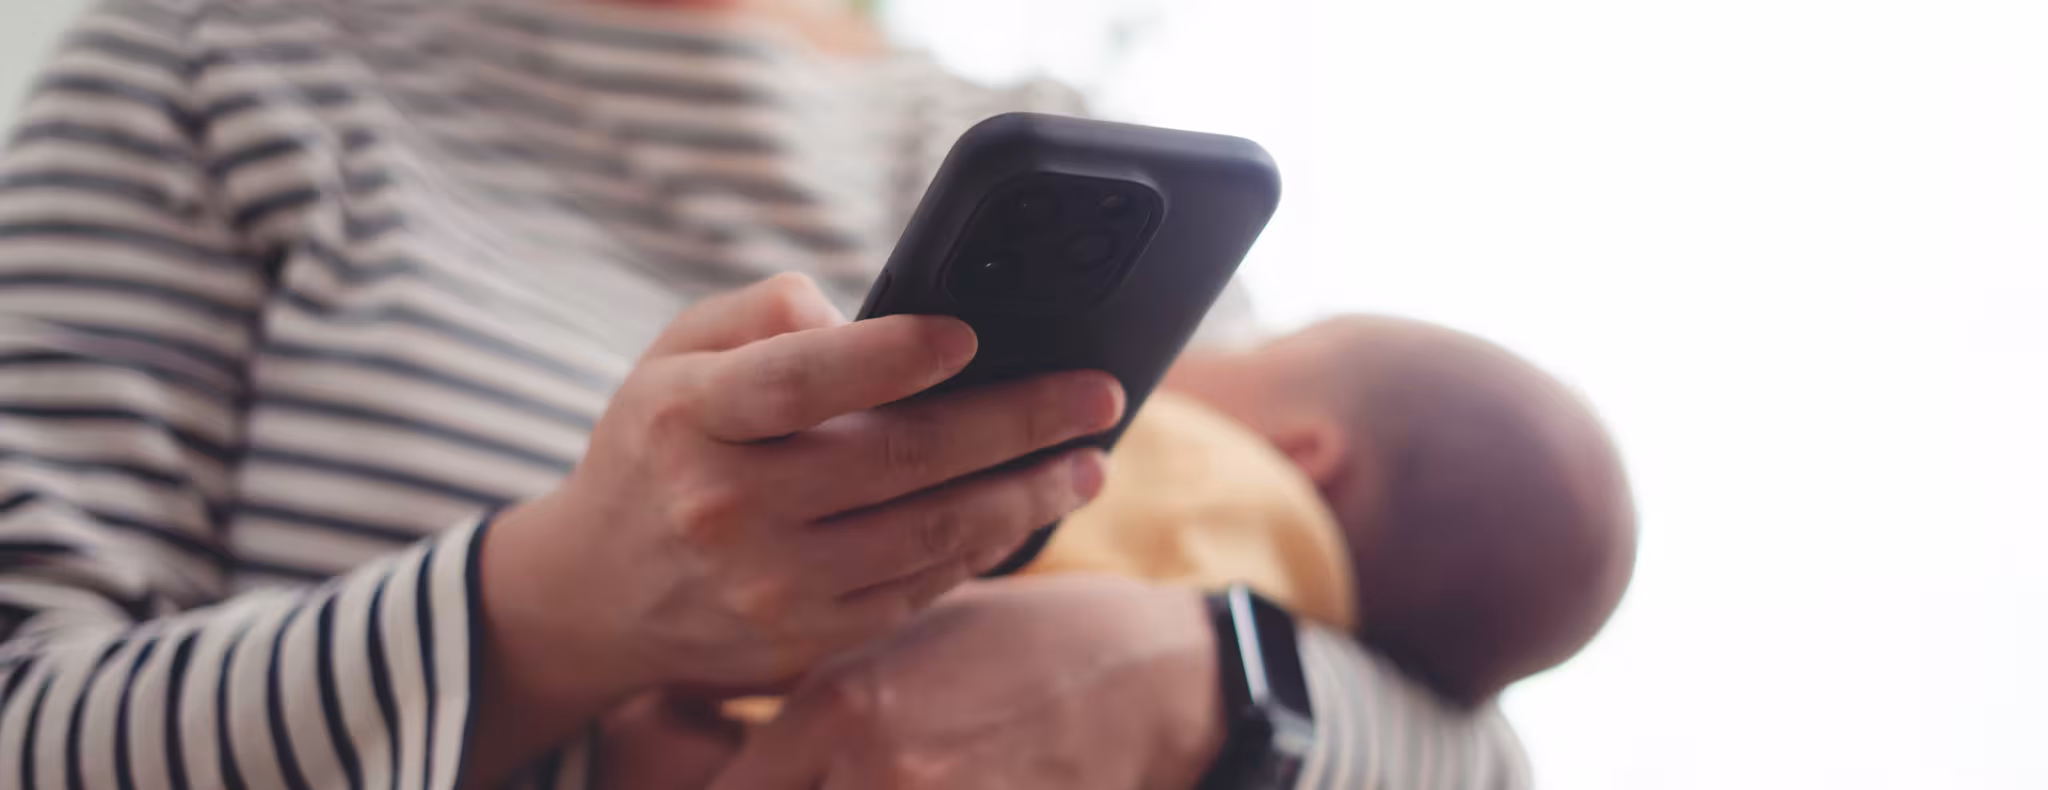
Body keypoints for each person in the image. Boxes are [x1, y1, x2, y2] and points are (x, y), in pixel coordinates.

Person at [0, 2, 1528, 790]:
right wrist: (554, 611)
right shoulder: (210, 67)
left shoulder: (1065, 155)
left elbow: (1471, 747)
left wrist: (1199, 686)